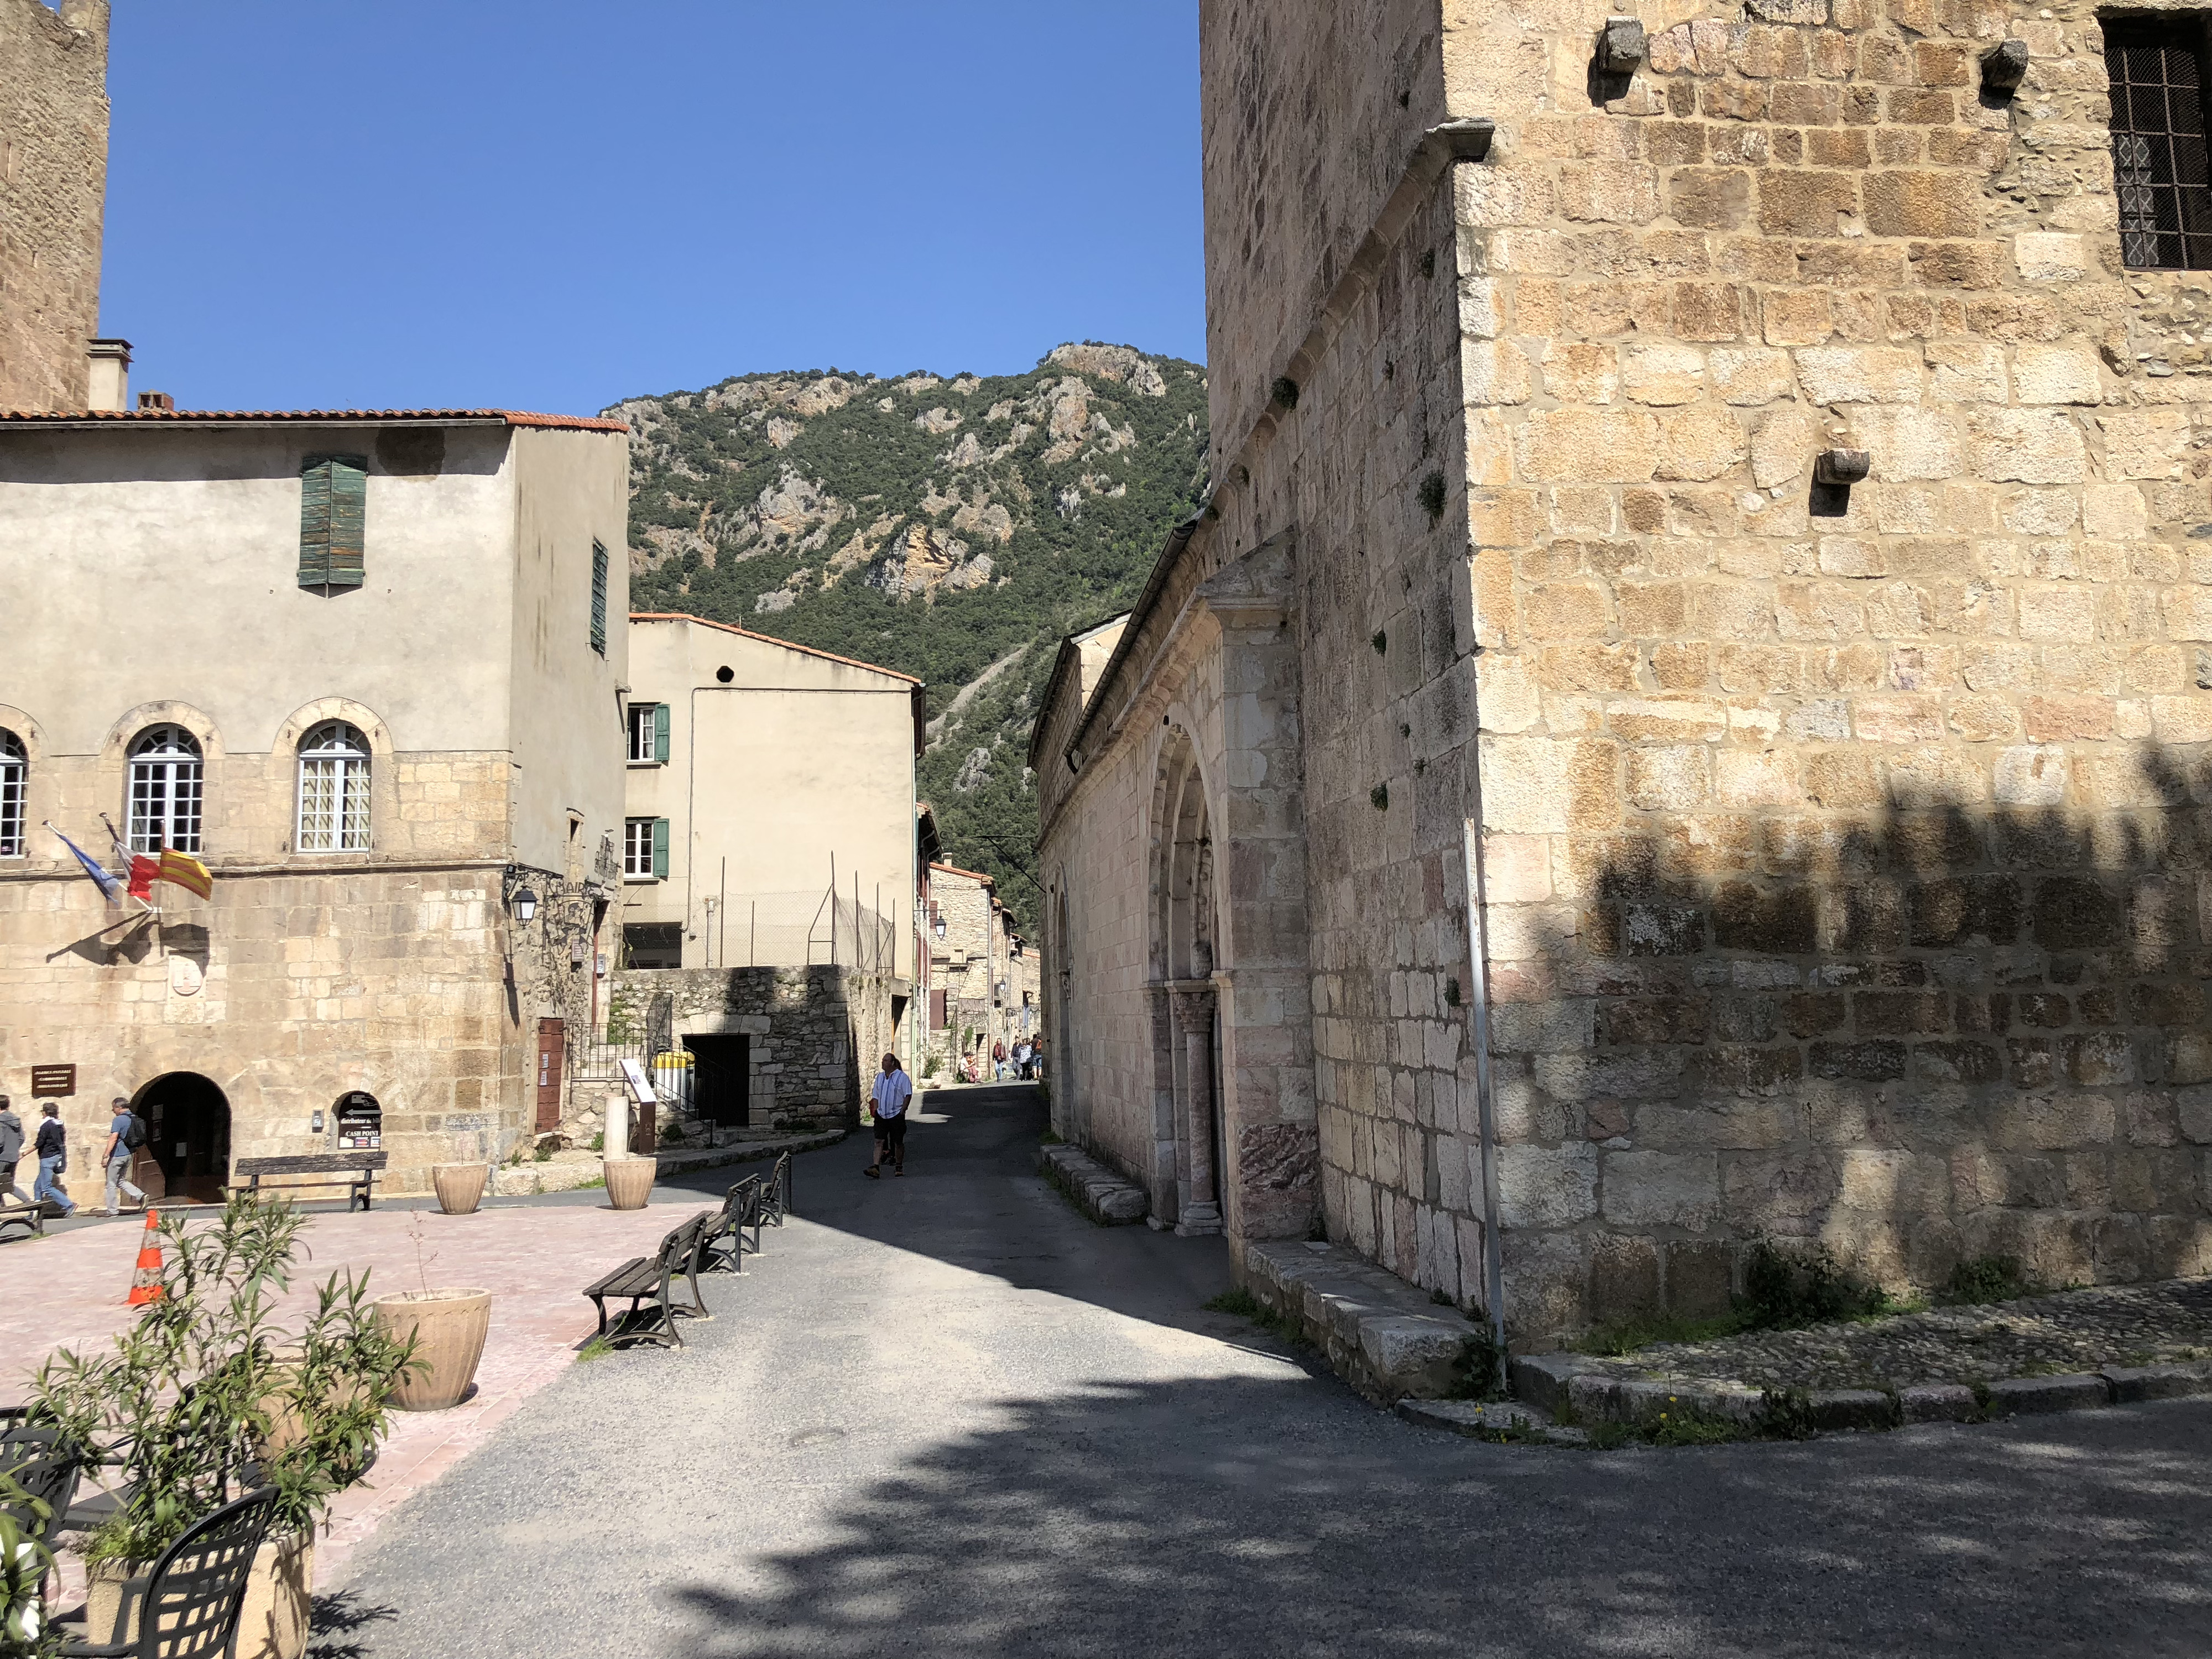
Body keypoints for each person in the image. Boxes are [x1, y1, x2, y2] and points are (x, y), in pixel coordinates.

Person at [863, 1052, 912, 1179]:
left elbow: (908, 1094)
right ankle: (876, 1167)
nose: (883, 1063)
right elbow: (876, 1095)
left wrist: (903, 1111)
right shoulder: (880, 1077)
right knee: (879, 1141)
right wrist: (876, 1109)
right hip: (882, 1115)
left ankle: (899, 1166)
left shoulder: (902, 1078)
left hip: (896, 1115)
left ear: (892, 1063)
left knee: (898, 1142)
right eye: (883, 1060)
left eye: (886, 1060)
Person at [101, 1095, 148, 1217]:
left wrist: (106, 1155)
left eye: (114, 1109)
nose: (113, 1111)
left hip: (117, 1155)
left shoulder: (119, 1120)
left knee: (111, 1183)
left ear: (119, 1107)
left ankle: (112, 1211)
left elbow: (113, 1138)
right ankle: (141, 1196)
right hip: (128, 1154)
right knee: (120, 1180)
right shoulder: (133, 1117)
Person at [32, 1101, 75, 1217]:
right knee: (38, 1186)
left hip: (48, 1157)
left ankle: (69, 1205)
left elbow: (40, 1142)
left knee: (46, 1187)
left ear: (45, 1112)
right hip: (55, 1156)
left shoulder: (47, 1125)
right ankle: (35, 1213)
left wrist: (24, 1153)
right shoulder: (59, 1125)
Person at [0, 1094, 30, 1206]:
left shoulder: (1, 1121)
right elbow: (22, 1138)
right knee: (9, 1185)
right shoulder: (15, 1119)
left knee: (4, 1184)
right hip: (13, 1157)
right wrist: (13, 1148)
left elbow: (0, 1141)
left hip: (2, 1157)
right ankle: (28, 1203)